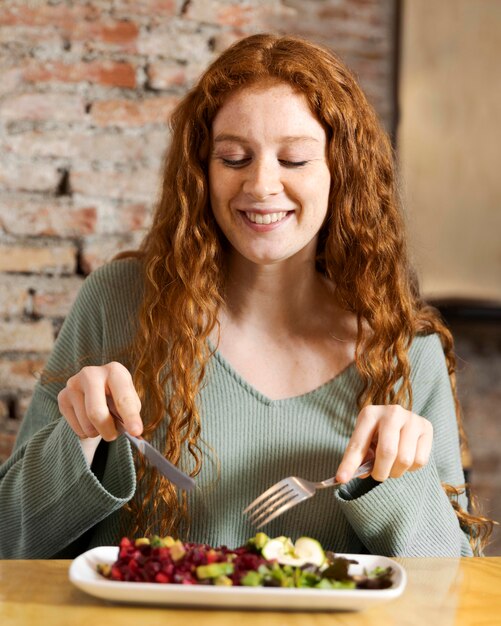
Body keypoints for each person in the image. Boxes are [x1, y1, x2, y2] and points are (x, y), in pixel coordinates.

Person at [0, 33, 492, 559]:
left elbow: (452, 590)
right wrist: (79, 443)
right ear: (202, 172)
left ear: (341, 172)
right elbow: (8, 541)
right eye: (234, 159)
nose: (261, 185)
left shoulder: (406, 350)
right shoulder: (116, 303)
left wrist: (400, 480)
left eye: (295, 161)